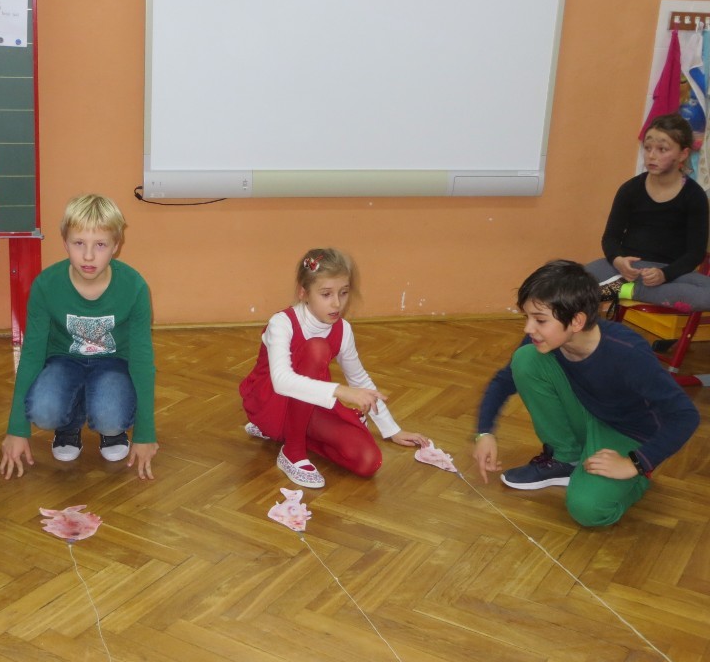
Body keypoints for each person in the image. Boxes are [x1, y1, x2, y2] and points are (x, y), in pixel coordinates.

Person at [473, 260, 700, 527]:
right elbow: (504, 381)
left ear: (577, 321)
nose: (528, 328)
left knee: (588, 510)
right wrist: (485, 433)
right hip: (587, 411)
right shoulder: (545, 339)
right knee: (525, 359)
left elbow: (686, 416)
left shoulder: (628, 353)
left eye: (540, 320)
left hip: (627, 434)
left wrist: (635, 464)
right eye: (527, 318)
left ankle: (637, 480)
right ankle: (566, 458)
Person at [239, 248, 428, 489]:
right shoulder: (282, 323)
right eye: (326, 294)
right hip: (270, 402)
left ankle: (292, 434)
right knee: (317, 348)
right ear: (303, 292)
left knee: (368, 461)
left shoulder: (343, 329)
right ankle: (292, 452)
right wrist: (341, 391)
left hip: (310, 404)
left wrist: (392, 430)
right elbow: (282, 381)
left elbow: (359, 378)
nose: (337, 303)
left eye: (344, 292)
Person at [0, 195, 158, 481]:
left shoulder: (134, 287)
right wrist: (16, 429)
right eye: (79, 243)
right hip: (64, 360)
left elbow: (142, 361)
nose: (88, 256)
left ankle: (113, 431)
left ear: (116, 246)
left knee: (110, 415)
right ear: (65, 242)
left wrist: (145, 434)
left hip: (113, 363)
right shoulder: (46, 285)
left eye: (100, 245)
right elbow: (32, 355)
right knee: (43, 410)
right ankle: (69, 425)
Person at [585, 113, 710, 313]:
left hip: (670, 274)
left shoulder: (694, 196)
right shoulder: (630, 189)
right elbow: (610, 238)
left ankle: (625, 291)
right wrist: (618, 260)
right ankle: (626, 288)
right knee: (568, 283)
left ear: (683, 154)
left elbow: (695, 253)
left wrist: (664, 274)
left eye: (662, 149)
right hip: (626, 270)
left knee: (706, 293)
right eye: (648, 147)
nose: (651, 155)